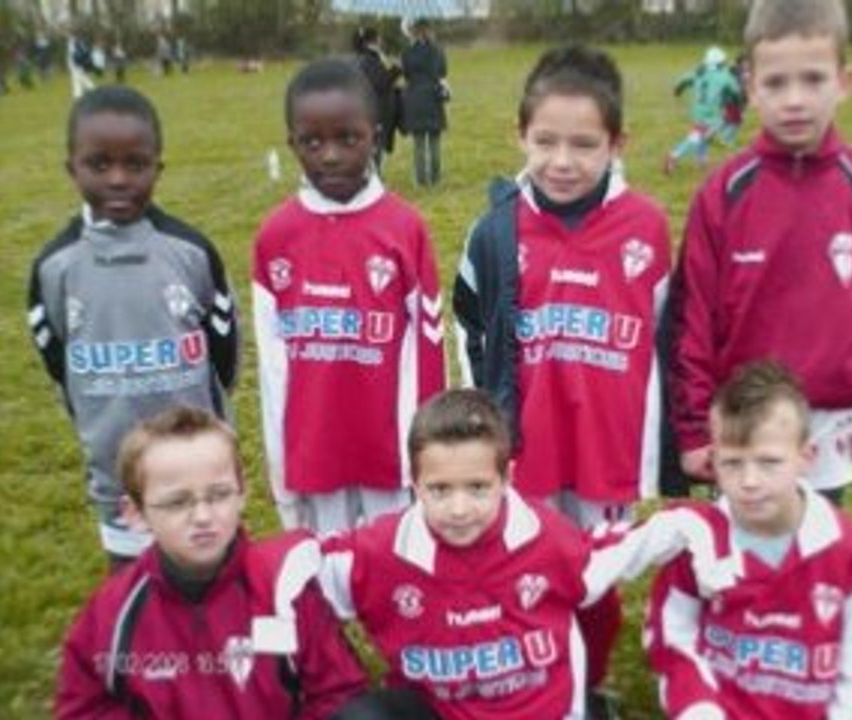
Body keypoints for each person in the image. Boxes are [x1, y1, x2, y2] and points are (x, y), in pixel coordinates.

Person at [254, 389, 728, 720]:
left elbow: (653, 535)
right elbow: (290, 561)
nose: (459, 509)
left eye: (478, 487)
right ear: (414, 483)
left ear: (508, 479)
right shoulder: (382, 551)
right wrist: (264, 596)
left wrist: (710, 539)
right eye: (439, 489)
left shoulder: (549, 541)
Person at [452, 45, 674, 712]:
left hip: (607, 445)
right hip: (528, 445)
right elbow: (469, 326)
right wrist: (487, 428)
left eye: (584, 144)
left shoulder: (647, 228)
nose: (562, 161)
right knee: (525, 569)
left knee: (595, 573)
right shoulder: (495, 231)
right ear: (519, 134)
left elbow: (666, 340)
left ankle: (591, 679)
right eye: (545, 141)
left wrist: (658, 448)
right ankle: (536, 675)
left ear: (617, 143)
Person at [668, 0, 852, 504]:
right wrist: (695, 426)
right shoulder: (723, 194)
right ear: (749, 85)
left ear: (844, 82)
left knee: (817, 546)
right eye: (776, 83)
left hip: (831, 427)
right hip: (742, 425)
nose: (795, 100)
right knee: (741, 551)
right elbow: (691, 318)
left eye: (813, 80)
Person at [27, 87, 239, 566]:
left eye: (135, 164)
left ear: (158, 168)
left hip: (199, 475)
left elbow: (224, 356)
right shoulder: (56, 266)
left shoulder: (190, 253)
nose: (118, 179)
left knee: (214, 590)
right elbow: (57, 360)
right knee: (135, 594)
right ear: (72, 168)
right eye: (99, 164)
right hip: (117, 482)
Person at [55, 406, 368, 718]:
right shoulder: (113, 611)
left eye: (219, 495)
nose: (203, 516)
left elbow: (339, 692)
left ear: (241, 494)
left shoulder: (285, 589)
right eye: (177, 502)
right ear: (135, 513)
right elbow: (84, 707)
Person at [253, 59, 446, 533]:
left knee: (395, 569)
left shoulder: (404, 229)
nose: (331, 156)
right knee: (325, 570)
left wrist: (424, 455)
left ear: (375, 136)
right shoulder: (276, 236)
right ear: (292, 144)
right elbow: (271, 367)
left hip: (390, 457)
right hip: (314, 454)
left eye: (348, 138)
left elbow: (427, 354)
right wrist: (283, 469)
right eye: (312, 142)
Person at [645, 361, 852, 718]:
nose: (750, 481)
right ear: (713, 461)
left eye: (768, 462)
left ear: (806, 457)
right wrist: (698, 709)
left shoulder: (844, 548)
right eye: (733, 463)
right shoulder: (698, 538)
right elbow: (672, 636)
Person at [663, 46, 742, 174]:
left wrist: (677, 91)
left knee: (702, 135)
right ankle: (674, 154)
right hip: (712, 115)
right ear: (720, 63)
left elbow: (683, 81)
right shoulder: (724, 76)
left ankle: (701, 161)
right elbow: (735, 91)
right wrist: (738, 101)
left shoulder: (699, 72)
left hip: (697, 112)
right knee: (701, 135)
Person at [400, 17, 448, 186]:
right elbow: (443, 71)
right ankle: (435, 178)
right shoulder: (437, 51)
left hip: (415, 97)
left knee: (418, 143)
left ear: (413, 31)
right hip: (433, 96)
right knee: (435, 141)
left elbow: (406, 75)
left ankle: (421, 180)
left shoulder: (407, 52)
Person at [353, 26, 402, 174]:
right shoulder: (370, 59)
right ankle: (374, 178)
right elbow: (381, 83)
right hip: (377, 109)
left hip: (368, 108)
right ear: (374, 40)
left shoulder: (366, 57)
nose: (381, 40)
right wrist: (396, 70)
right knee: (376, 148)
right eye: (379, 37)